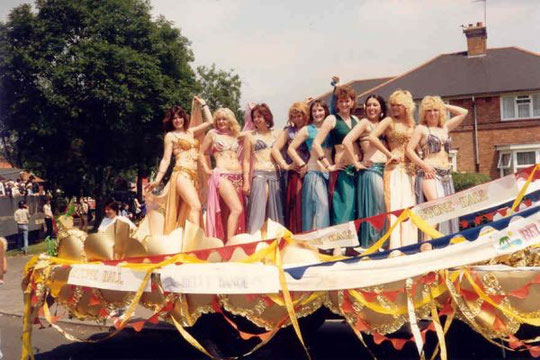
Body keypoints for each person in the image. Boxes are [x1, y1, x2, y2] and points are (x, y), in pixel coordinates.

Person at [144, 97, 213, 234]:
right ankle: (194, 241)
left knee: (190, 210)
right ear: (171, 121)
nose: (178, 120)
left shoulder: (191, 132)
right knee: (196, 206)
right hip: (181, 174)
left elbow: (210, 122)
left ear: (184, 118)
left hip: (195, 176)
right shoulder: (170, 136)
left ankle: (190, 239)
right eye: (174, 118)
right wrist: (158, 179)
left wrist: (203, 104)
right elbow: (165, 159)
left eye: (180, 117)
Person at [406, 96, 468, 237]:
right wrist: (424, 166)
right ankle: (426, 244)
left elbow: (464, 112)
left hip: (446, 174)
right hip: (430, 173)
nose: (433, 113)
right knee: (436, 207)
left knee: (445, 210)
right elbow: (409, 150)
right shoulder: (421, 129)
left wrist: (444, 106)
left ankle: (437, 241)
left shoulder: (445, 128)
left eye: (436, 110)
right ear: (424, 113)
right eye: (429, 110)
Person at [368, 90, 416, 249]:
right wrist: (389, 154)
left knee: (409, 206)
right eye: (393, 105)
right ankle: (396, 246)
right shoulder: (389, 121)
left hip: (410, 169)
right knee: (395, 205)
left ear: (406, 107)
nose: (395, 108)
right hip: (394, 168)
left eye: (399, 105)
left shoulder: (412, 124)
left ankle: (410, 244)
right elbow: (372, 137)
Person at [342, 95, 389, 248]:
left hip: (387, 170)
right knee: (376, 208)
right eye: (369, 105)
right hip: (372, 170)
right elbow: (347, 141)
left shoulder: (386, 123)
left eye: (375, 105)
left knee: (386, 207)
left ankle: (385, 242)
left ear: (382, 108)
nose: (371, 108)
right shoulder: (364, 123)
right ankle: (373, 244)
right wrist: (356, 163)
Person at [199, 106, 247, 242]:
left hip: (238, 176)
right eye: (218, 119)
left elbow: (252, 131)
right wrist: (206, 170)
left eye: (224, 119)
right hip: (222, 175)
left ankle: (229, 239)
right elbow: (201, 153)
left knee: (231, 211)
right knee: (236, 208)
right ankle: (231, 242)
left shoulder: (236, 134)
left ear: (230, 120)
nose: (221, 122)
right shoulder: (212, 134)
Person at [312, 84, 358, 225]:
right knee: (342, 207)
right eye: (341, 101)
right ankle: (340, 244)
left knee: (354, 208)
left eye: (347, 100)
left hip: (356, 170)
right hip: (341, 170)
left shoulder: (356, 119)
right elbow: (316, 144)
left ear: (352, 102)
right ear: (337, 103)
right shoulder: (332, 119)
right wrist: (328, 166)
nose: (344, 104)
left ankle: (351, 244)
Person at [288, 100, 333, 231]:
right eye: (314, 111)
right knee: (320, 207)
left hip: (330, 173)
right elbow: (291, 149)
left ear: (325, 111)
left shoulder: (330, 126)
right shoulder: (307, 129)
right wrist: (302, 164)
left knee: (328, 208)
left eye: (320, 110)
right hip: (314, 172)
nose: (317, 113)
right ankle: (317, 242)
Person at [243, 103, 284, 234]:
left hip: (275, 175)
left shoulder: (277, 133)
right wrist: (246, 181)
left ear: (267, 117)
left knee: (275, 211)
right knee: (258, 210)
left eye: (259, 116)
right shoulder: (250, 136)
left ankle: (276, 239)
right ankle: (254, 239)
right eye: (254, 117)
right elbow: (246, 160)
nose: (256, 119)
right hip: (259, 174)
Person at [271, 102, 309, 233]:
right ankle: (298, 234)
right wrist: (285, 166)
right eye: (293, 116)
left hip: (313, 170)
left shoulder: (311, 128)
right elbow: (275, 149)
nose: (297, 119)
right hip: (296, 172)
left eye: (299, 115)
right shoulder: (289, 132)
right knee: (297, 204)